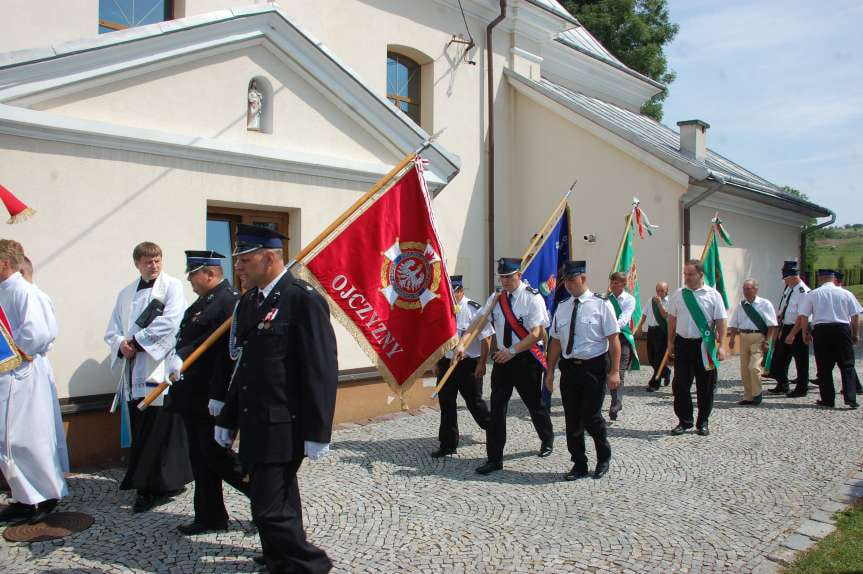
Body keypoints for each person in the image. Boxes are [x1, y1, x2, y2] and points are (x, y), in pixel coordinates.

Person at [215, 224, 337, 574]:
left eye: (244, 259)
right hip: (255, 420)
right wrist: (228, 419)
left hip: (284, 424)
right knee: (281, 498)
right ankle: (278, 558)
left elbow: (321, 369)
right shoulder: (251, 301)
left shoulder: (302, 298)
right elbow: (246, 369)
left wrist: (318, 430)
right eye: (237, 259)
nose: (237, 266)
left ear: (268, 258)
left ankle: (310, 565)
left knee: (267, 507)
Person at [167, 251, 249, 535]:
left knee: (218, 457)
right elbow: (192, 340)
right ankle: (210, 516)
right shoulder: (206, 302)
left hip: (210, 398)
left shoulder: (230, 302)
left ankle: (269, 500)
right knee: (201, 459)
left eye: (193, 274)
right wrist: (177, 357)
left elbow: (226, 356)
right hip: (192, 395)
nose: (190, 280)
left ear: (210, 273)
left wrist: (220, 395)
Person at [104, 241, 191, 513]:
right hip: (133, 372)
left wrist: (137, 343)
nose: (153, 266)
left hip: (159, 369)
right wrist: (121, 344)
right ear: (137, 264)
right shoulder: (125, 293)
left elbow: (173, 321)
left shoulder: (172, 287)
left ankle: (153, 486)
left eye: (157, 260)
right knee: (142, 429)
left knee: (159, 429)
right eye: (147, 262)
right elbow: (112, 329)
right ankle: (152, 482)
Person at [458, 258, 554, 476]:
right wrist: (463, 344)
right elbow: (479, 321)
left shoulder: (532, 298)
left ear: (519, 275)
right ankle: (494, 458)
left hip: (525, 358)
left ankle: (547, 438)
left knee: (534, 404)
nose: (505, 281)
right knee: (497, 409)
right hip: (502, 360)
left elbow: (538, 333)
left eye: (509, 277)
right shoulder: (496, 297)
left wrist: (512, 351)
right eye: (502, 277)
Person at [0, 240, 68, 524]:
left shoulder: (23, 291)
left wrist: (18, 352)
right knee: (9, 439)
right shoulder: (6, 290)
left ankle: (46, 496)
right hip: (8, 374)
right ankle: (25, 497)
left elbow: (39, 332)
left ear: (3, 263)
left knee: (28, 437)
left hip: (23, 373)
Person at [545, 261, 620, 481]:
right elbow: (556, 341)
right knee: (572, 419)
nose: (568, 284)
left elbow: (613, 340)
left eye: (572, 280)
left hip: (594, 367)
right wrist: (549, 371)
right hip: (570, 368)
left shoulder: (601, 304)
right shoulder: (563, 306)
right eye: (565, 280)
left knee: (591, 416)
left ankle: (603, 457)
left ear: (583, 279)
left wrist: (614, 371)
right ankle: (579, 463)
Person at [430, 275, 492, 458]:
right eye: (448, 293)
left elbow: (487, 338)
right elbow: (438, 339)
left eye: (454, 292)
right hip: (446, 363)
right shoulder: (443, 309)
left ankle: (493, 431)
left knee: (475, 403)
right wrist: (436, 362)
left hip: (468, 365)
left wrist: (482, 363)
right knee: (446, 404)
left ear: (461, 291)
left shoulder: (474, 309)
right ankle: (448, 443)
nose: (451, 296)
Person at [667, 259, 727, 436]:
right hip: (683, 343)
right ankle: (684, 421)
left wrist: (722, 345)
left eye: (690, 274)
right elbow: (671, 319)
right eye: (685, 274)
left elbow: (721, 321)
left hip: (704, 344)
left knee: (705, 386)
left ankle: (703, 421)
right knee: (680, 385)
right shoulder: (679, 294)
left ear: (700, 275)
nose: (686, 277)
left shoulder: (713, 295)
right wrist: (670, 343)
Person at [789, 269, 861, 409]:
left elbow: (804, 315)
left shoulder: (813, 294)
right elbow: (855, 315)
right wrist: (855, 334)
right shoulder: (846, 293)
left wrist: (805, 333)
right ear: (833, 279)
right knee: (847, 365)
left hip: (822, 331)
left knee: (824, 367)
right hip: (842, 329)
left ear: (820, 279)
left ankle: (828, 399)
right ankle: (850, 398)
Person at [727, 279, 778, 405]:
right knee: (744, 369)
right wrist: (732, 339)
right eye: (744, 289)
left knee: (754, 367)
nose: (746, 291)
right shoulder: (741, 305)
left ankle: (757, 394)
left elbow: (772, 325)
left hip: (758, 337)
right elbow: (734, 323)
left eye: (749, 288)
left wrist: (767, 341)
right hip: (744, 336)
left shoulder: (765, 304)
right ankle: (748, 396)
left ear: (755, 289)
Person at [768, 261, 811, 397]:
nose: (785, 280)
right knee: (780, 357)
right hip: (786, 326)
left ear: (793, 276)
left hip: (798, 328)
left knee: (801, 360)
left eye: (786, 278)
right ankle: (782, 384)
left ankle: (801, 388)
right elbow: (787, 306)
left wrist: (792, 334)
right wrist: (780, 315)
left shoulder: (803, 291)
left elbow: (802, 316)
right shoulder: (789, 288)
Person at [607, 271, 636, 420]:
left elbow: (624, 319)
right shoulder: (606, 299)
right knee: (608, 370)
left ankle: (616, 403)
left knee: (619, 371)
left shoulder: (629, 300)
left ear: (623, 284)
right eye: (611, 282)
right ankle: (614, 400)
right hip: (607, 339)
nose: (613, 285)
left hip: (622, 338)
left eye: (616, 283)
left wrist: (610, 328)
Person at [645, 281, 671, 391]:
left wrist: (660, 303)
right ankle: (666, 371)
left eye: (662, 290)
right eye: (658, 290)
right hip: (651, 331)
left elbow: (665, 314)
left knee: (658, 358)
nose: (659, 292)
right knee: (651, 358)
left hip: (662, 332)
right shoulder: (651, 301)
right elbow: (644, 314)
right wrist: (640, 326)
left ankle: (654, 383)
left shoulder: (670, 301)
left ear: (666, 291)